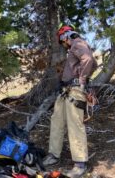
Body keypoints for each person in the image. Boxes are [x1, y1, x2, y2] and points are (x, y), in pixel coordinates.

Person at [42, 24, 98, 178]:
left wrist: (81, 79)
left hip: (74, 91)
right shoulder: (75, 47)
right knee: (57, 120)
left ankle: (80, 164)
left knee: (75, 125)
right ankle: (54, 154)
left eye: (62, 40)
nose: (63, 44)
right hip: (66, 91)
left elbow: (89, 60)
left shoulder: (78, 43)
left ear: (66, 36)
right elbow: (93, 63)